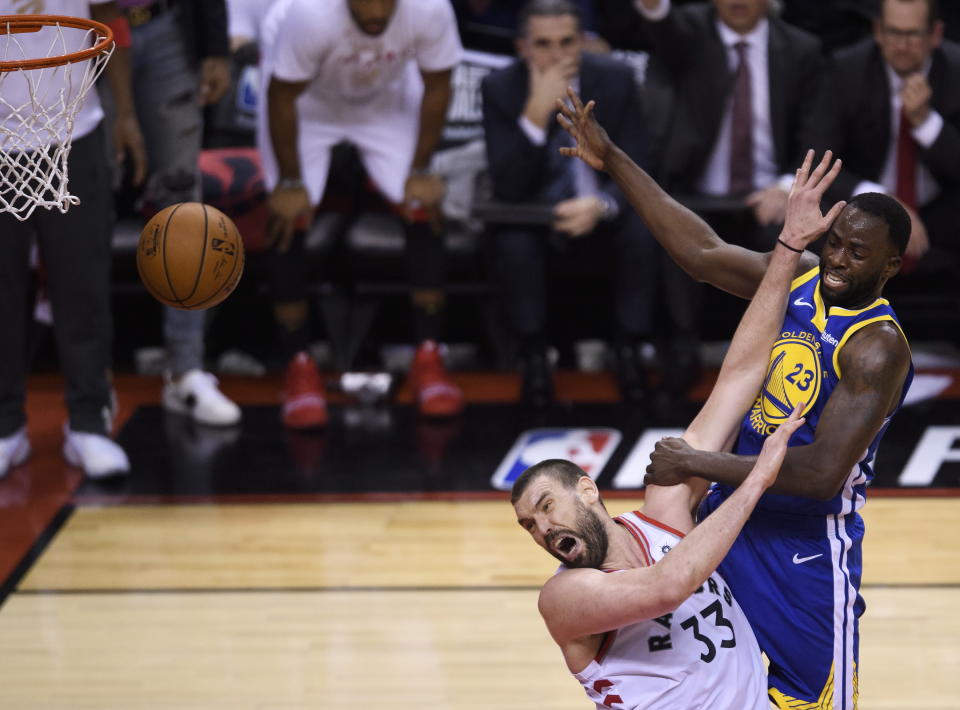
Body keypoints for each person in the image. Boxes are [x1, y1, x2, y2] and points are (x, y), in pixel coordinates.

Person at [555, 89, 914, 708]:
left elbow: (822, 474)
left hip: (805, 544)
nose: (836, 260)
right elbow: (700, 253)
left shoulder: (876, 346)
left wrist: (699, 463)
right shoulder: (799, 278)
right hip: (730, 521)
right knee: (728, 687)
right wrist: (613, 158)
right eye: (833, 242)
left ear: (890, 267)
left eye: (857, 254)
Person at [511, 150, 845, 708]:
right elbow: (669, 586)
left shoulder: (666, 508)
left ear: (587, 488)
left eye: (546, 506)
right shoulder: (565, 599)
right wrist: (755, 478)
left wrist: (787, 249)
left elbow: (738, 378)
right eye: (529, 526)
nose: (542, 529)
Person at [259, 0, 465, 427]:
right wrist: (292, 183)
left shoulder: (429, 9)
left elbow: (438, 83)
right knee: (288, 214)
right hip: (306, 102)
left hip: (383, 97)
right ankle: (298, 364)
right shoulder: (307, 15)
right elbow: (280, 95)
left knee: (422, 203)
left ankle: (428, 357)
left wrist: (423, 168)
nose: (375, 10)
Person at [628, 0, 826, 397]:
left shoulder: (802, 49)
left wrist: (788, 184)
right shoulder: (689, 34)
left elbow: (816, 126)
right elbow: (665, 30)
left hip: (768, 194)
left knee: (792, 235)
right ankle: (682, 349)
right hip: (694, 193)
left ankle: (786, 357)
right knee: (671, 230)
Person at [481, 0, 658, 406]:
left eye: (567, 42)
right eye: (543, 44)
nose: (557, 54)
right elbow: (507, 185)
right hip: (535, 215)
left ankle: (629, 348)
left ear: (581, 42)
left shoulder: (615, 79)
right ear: (523, 47)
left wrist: (602, 205)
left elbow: (640, 164)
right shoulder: (501, 87)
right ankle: (534, 353)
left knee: (641, 230)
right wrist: (533, 113)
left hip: (602, 208)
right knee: (511, 239)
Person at [0, 0, 147, 478]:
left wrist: (126, 111)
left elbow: (113, 17)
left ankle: (88, 422)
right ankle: (5, 429)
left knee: (81, 284)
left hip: (73, 127)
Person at [121, 0, 242, 427]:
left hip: (166, 24)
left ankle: (186, 370)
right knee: (81, 203)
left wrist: (215, 46)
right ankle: (88, 386)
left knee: (182, 206)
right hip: (84, 31)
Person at [812, 0, 960, 269]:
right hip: (866, 203)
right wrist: (882, 199)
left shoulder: (956, 70)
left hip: (940, 206)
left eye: (913, 34)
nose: (902, 45)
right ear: (878, 31)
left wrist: (925, 123)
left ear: (935, 34)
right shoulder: (846, 70)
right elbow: (821, 159)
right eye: (894, 32)